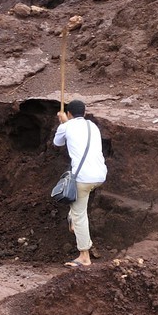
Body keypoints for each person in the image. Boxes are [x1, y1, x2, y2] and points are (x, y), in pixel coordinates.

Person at [54, 98, 107, 267]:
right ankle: (72, 218)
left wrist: (63, 123)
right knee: (79, 205)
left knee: (80, 215)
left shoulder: (66, 125)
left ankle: (84, 255)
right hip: (100, 175)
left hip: (83, 178)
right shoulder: (93, 126)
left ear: (69, 113)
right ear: (84, 113)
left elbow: (58, 143)